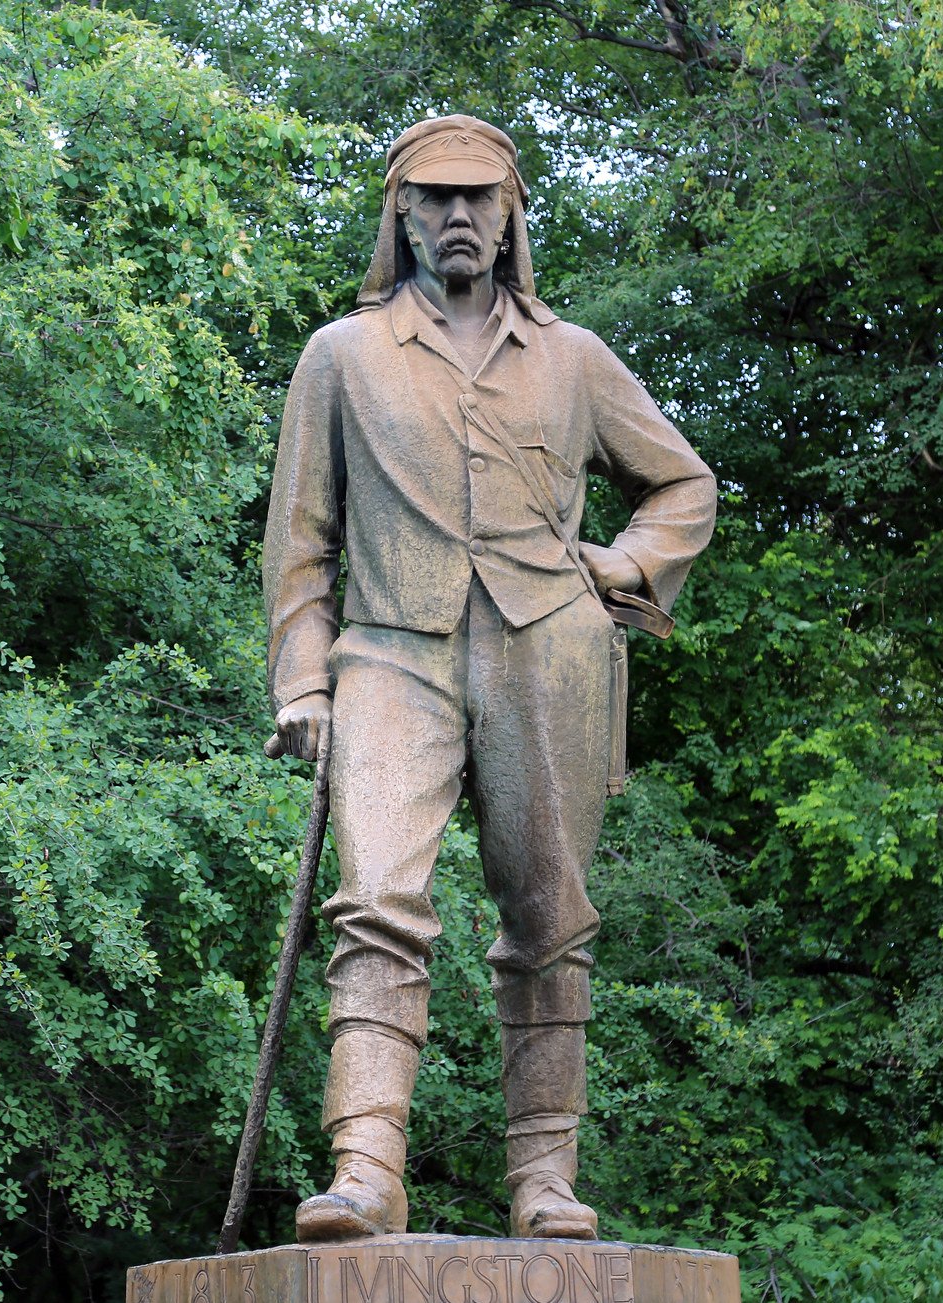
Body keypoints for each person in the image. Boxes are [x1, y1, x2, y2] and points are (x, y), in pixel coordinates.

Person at [262, 114, 717, 1242]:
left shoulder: (573, 359)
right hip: (386, 651)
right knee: (372, 905)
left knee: (549, 921)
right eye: (433, 197)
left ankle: (545, 1182)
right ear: (400, 214)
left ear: (511, 211)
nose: (457, 215)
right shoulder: (341, 355)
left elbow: (684, 487)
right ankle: (364, 1166)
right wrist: (302, 683)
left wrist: (617, 565)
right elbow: (298, 543)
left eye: (478, 197)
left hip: (546, 653)